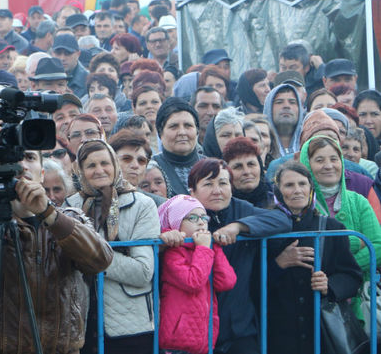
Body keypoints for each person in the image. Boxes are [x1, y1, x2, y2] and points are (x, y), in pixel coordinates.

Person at [0, 128, 112, 354]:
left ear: (41, 173)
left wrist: (49, 215)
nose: (21, 165)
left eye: (29, 157)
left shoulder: (69, 218)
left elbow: (101, 259)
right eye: (12, 158)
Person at [161, 158, 291, 354]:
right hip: (192, 330)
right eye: (208, 184)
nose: (217, 190)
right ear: (192, 190)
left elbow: (281, 219)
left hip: (238, 325)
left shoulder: (242, 209)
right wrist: (164, 239)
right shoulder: (181, 214)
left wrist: (238, 226)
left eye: (223, 183)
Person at [64, 139, 159, 353]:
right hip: (81, 320)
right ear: (80, 171)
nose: (99, 170)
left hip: (130, 324)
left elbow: (143, 271)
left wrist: (91, 256)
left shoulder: (142, 205)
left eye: (105, 163)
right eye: (91, 165)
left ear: (115, 165)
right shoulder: (70, 207)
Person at [267, 161, 362, 354]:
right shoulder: (266, 230)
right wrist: (279, 264)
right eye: (289, 185)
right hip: (279, 335)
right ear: (278, 191)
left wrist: (330, 285)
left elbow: (352, 277)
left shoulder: (331, 228)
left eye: (302, 184)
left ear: (311, 188)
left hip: (322, 334)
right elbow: (250, 283)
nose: (297, 190)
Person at [157, 194, 237, 354]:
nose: (201, 222)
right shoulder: (173, 252)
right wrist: (204, 249)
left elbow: (226, 281)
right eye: (192, 218)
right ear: (176, 222)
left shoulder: (204, 248)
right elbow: (193, 281)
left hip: (204, 338)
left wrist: (214, 248)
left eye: (204, 217)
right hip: (178, 342)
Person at [299, 135, 381, 287]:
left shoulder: (359, 201)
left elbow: (377, 245)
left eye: (334, 159)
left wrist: (342, 268)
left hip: (356, 294)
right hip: (308, 293)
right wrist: (356, 242)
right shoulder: (299, 203)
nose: (329, 166)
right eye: (319, 160)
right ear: (307, 164)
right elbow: (305, 247)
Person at [152, 97, 203, 196]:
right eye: (174, 126)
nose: (182, 132)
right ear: (160, 133)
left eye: (188, 125)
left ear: (197, 131)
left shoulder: (212, 167)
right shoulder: (151, 169)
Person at [223, 137, 275, 209]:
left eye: (251, 164)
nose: (246, 172)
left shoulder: (278, 202)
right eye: (238, 167)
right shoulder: (220, 208)